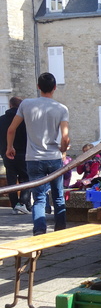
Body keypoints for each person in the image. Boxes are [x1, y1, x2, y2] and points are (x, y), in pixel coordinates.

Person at [6, 72, 70, 235]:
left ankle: (39, 233)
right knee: (58, 196)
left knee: (39, 198)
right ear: (55, 88)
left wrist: (9, 147)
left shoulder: (26, 104)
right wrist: (63, 149)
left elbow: (11, 129)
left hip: (33, 158)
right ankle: (60, 233)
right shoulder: (61, 109)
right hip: (54, 158)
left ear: (38, 87)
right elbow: (65, 137)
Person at [0, 97, 30, 214]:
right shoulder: (25, 120)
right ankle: (23, 203)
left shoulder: (1, 120)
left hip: (6, 153)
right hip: (23, 152)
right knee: (26, 179)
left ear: (10, 105)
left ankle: (15, 205)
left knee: (11, 180)